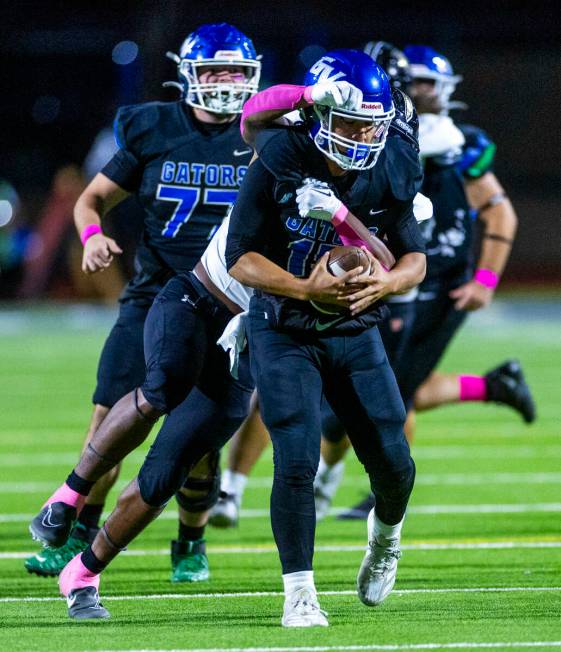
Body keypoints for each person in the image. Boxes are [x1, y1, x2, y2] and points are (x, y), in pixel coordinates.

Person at [25, 22, 261, 582]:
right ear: (188, 75)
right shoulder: (154, 127)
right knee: (108, 420)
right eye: (214, 70)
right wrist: (91, 237)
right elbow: (91, 200)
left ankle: (191, 540)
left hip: (228, 305)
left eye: (236, 71)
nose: (226, 82)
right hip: (154, 294)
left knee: (198, 441)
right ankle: (75, 532)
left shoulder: (266, 137)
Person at [225, 49, 427, 626]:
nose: (363, 135)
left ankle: (384, 540)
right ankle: (299, 592)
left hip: (355, 327)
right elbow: (240, 257)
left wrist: (386, 282)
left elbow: (416, 258)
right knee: (295, 457)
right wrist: (300, 287)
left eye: (372, 124)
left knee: (395, 461)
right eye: (350, 122)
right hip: (285, 326)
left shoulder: (392, 162)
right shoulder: (283, 153)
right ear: (319, 118)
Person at [328, 44, 536, 520]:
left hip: (435, 278)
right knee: (393, 385)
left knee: (393, 387)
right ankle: (495, 387)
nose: (419, 90)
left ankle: (385, 491)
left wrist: (484, 279)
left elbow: (500, 211)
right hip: (394, 275)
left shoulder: (452, 143)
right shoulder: (368, 136)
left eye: (425, 81)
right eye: (412, 81)